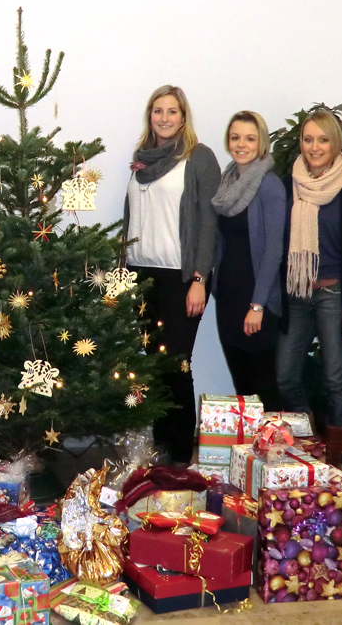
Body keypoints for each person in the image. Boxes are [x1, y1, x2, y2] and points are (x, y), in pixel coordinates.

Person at [124, 85, 221, 464]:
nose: (164, 118)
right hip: (140, 275)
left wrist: (200, 279)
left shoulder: (199, 157)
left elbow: (209, 224)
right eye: (158, 111)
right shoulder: (141, 160)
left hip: (180, 278)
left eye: (172, 111)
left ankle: (180, 455)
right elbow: (132, 218)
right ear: (150, 116)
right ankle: (161, 447)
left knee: (177, 365)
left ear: (183, 118)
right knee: (152, 365)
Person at [275, 109, 342, 467]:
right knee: (285, 376)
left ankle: (330, 463)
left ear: (335, 143)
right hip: (296, 292)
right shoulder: (288, 184)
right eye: (308, 139)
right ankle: (308, 445)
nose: (314, 147)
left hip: (335, 294)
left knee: (336, 379)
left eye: (322, 139)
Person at [211, 111, 286, 410]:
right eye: (235, 138)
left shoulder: (269, 185)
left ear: (262, 143)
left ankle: (276, 440)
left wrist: (257, 305)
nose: (241, 145)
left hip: (257, 302)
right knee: (242, 385)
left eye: (250, 139)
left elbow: (274, 250)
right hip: (228, 299)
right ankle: (251, 441)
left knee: (264, 384)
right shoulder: (227, 182)